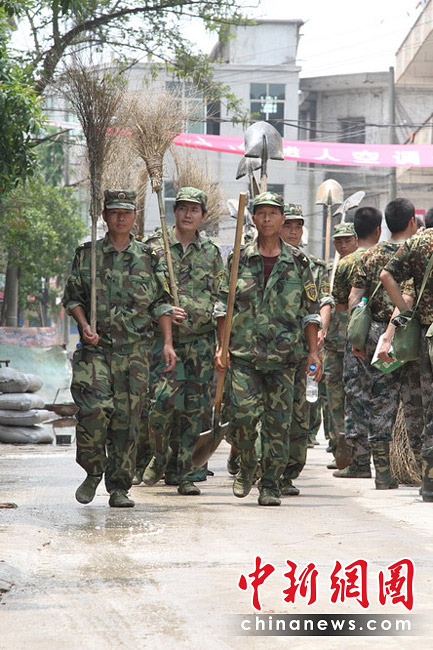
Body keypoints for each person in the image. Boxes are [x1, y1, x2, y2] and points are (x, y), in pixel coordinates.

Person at [63, 189, 176, 508]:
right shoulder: (87, 255)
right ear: (104, 216)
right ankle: (92, 470)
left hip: (135, 352)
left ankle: (119, 486)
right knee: (93, 411)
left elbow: (161, 303)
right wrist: (84, 324)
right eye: (114, 212)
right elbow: (72, 298)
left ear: (135, 217)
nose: (120, 217)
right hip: (96, 350)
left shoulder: (148, 257)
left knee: (128, 421)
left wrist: (168, 342)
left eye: (126, 212)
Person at [215, 192, 322, 507]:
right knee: (243, 418)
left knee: (278, 426)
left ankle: (271, 485)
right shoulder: (238, 259)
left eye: (272, 213)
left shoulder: (299, 263)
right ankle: (247, 463)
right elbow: (222, 307)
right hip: (244, 355)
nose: (266, 219)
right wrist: (222, 346)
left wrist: (313, 352)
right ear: (253, 219)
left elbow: (310, 312)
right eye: (260, 213)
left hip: (284, 358)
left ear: (282, 219)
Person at [140, 187, 224, 496]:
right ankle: (160, 456)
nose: (188, 214)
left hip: (201, 342)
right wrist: (162, 309)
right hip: (165, 341)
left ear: (203, 215)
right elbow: (143, 294)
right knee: (161, 405)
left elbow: (222, 296)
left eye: (194, 209)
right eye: (183, 208)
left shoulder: (211, 252)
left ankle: (186, 472)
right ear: (174, 212)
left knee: (194, 410)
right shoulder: (155, 247)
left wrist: (221, 343)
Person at [348, 198, 422, 489]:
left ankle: (382, 474)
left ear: (386, 225)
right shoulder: (416, 252)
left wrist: (358, 338)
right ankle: (423, 473)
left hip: (377, 335)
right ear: (412, 221)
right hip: (412, 334)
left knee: (380, 401)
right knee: (415, 402)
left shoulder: (369, 255)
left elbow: (355, 299)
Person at [279, 203, 330, 496]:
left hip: (301, 350)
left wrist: (320, 333)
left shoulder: (312, 266)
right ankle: (257, 465)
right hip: (268, 350)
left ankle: (288, 474)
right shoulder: (256, 259)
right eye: (288, 225)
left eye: (298, 226)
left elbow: (322, 303)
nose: (293, 231)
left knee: (300, 414)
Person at [381, 224, 433, 502]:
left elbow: (386, 275)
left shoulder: (419, 243)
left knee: (426, 408)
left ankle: (428, 480)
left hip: (426, 337)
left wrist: (404, 314)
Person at [332, 206, 382, 479]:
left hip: (358, 336)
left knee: (357, 397)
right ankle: (386, 464)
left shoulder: (346, 263)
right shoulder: (390, 256)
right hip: (388, 335)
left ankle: (360, 462)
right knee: (385, 397)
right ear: (378, 229)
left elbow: (341, 305)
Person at [320, 223, 358, 469]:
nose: (343, 245)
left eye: (347, 240)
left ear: (356, 240)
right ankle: (339, 451)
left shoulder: (362, 267)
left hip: (356, 345)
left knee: (356, 398)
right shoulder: (329, 272)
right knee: (333, 399)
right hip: (332, 346)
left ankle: (358, 454)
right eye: (338, 241)